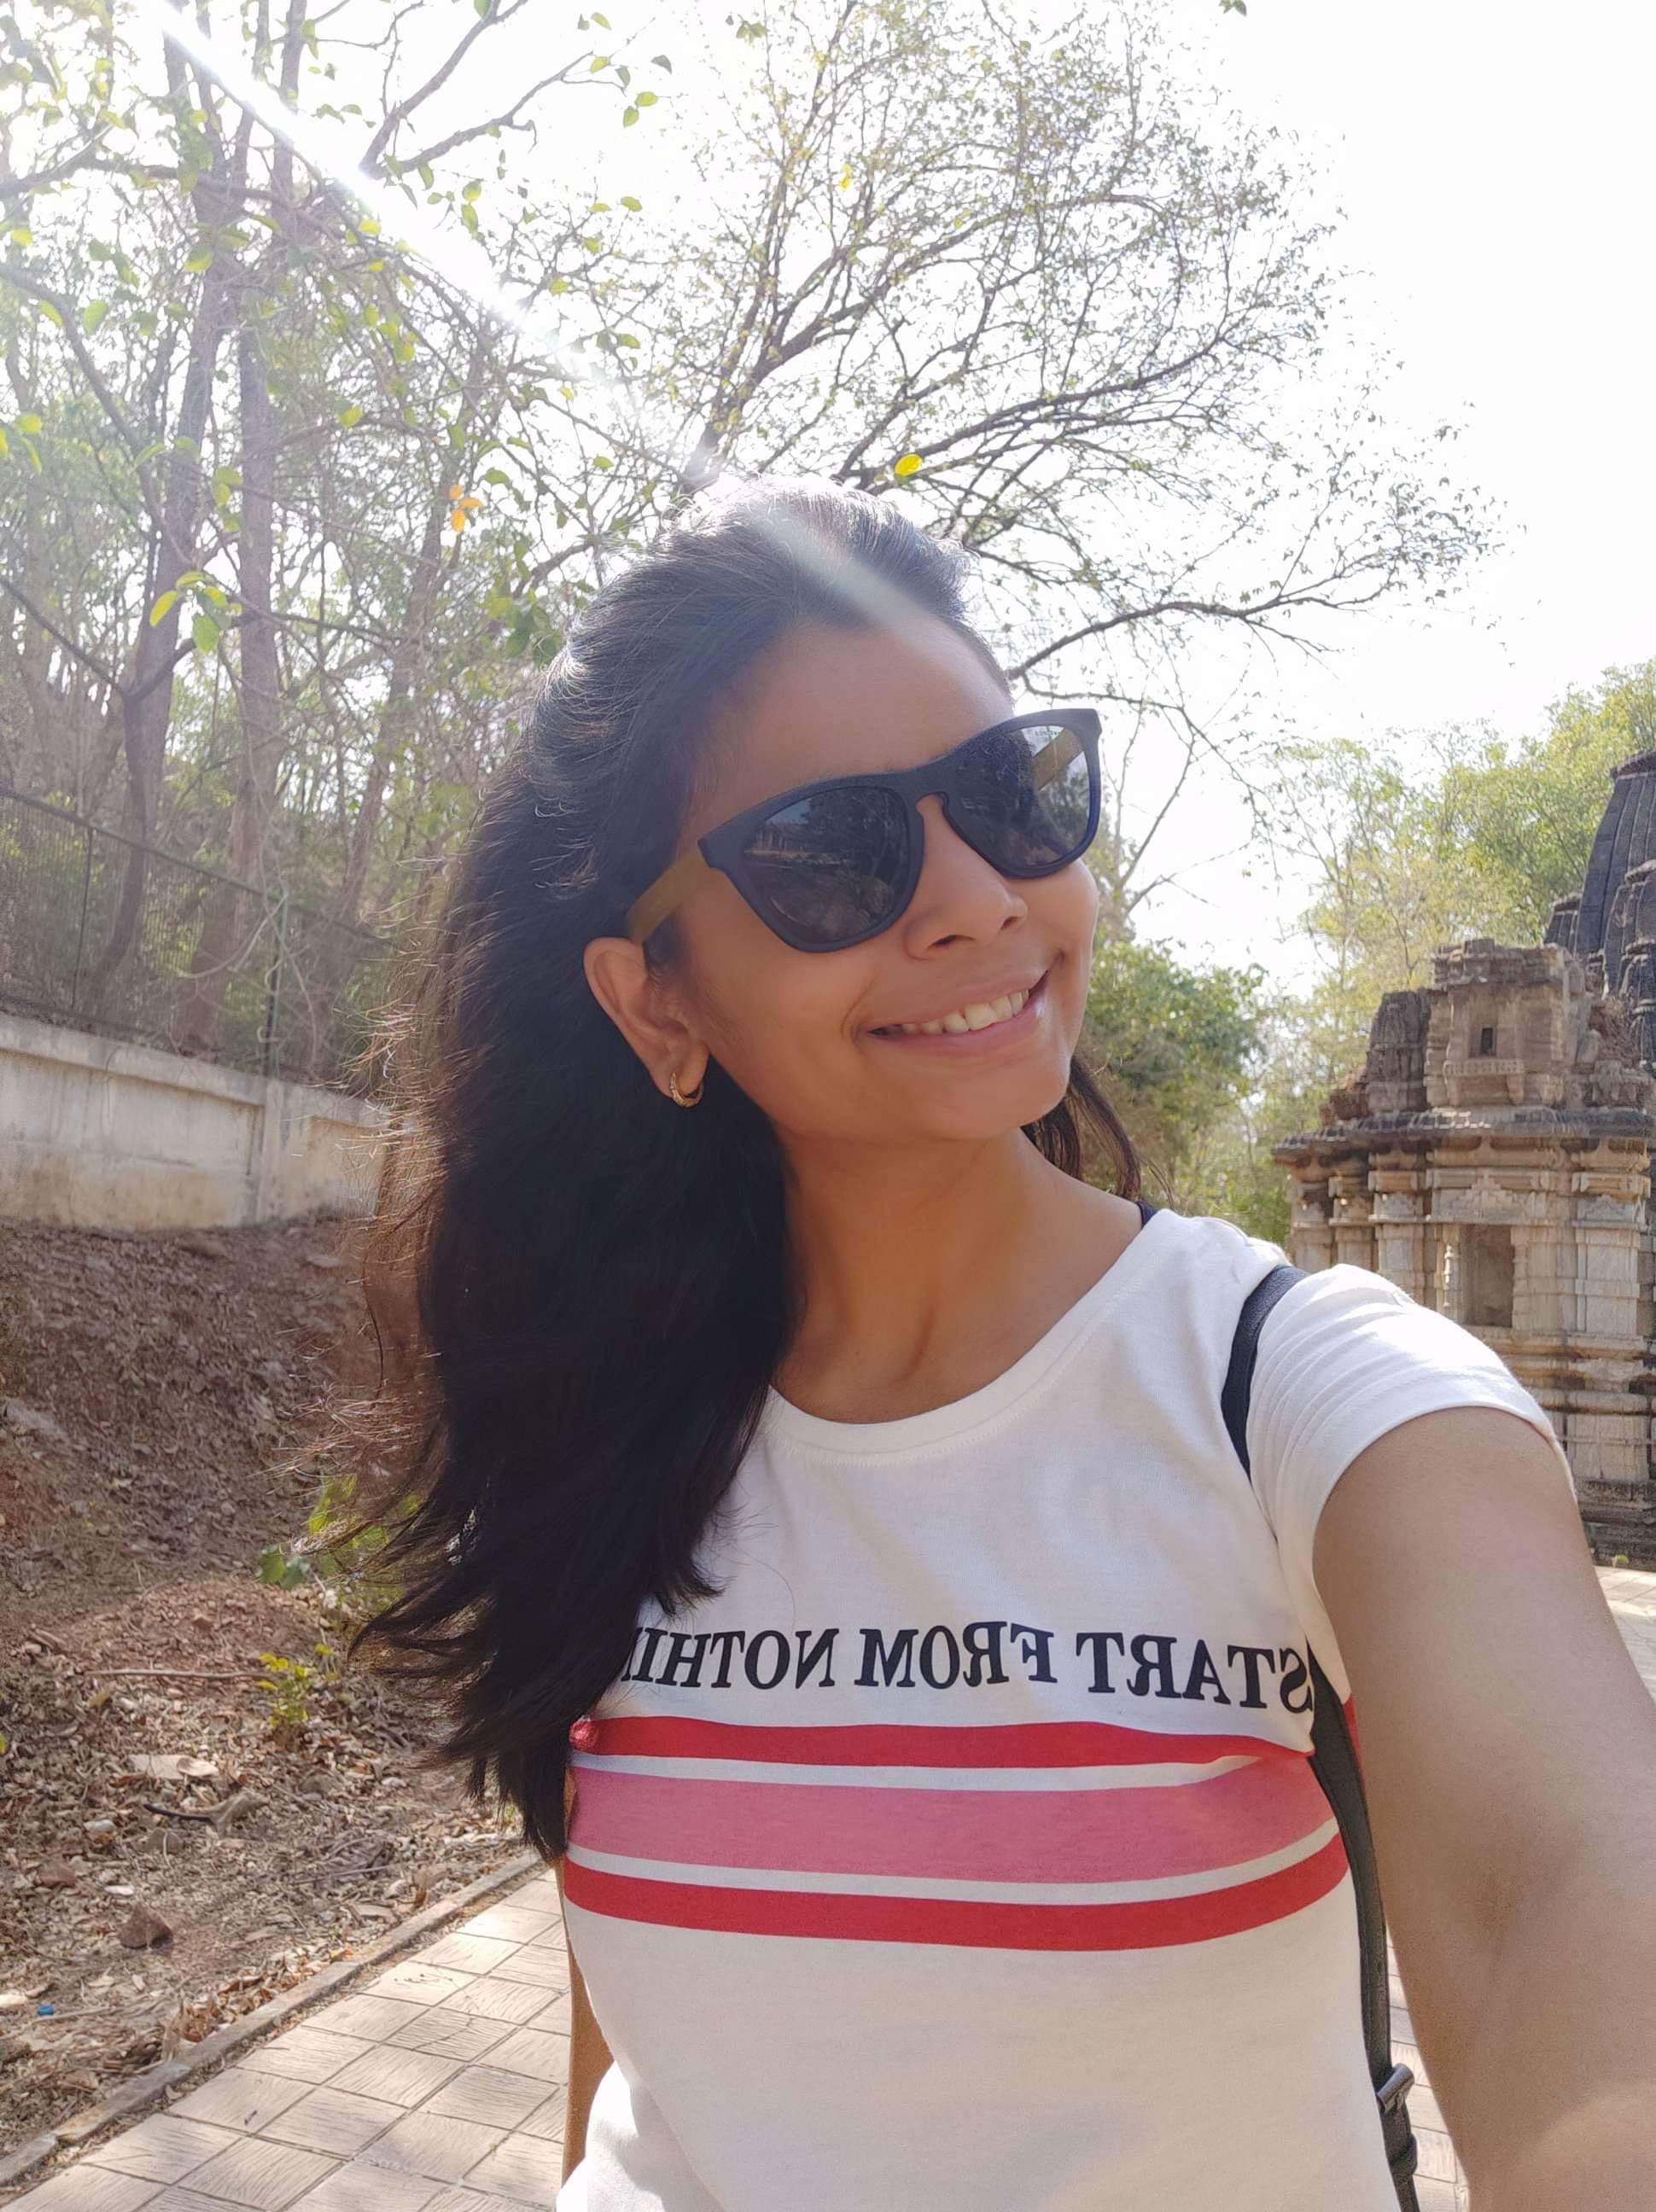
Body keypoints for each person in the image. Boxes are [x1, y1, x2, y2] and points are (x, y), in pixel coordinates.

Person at [358, 477, 1656, 2210]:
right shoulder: (614, 1423)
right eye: (833, 853)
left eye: (1009, 792)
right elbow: (654, 2058)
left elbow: (1551, 1901)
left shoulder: (1312, 1399)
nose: (976, 897)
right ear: (656, 999)